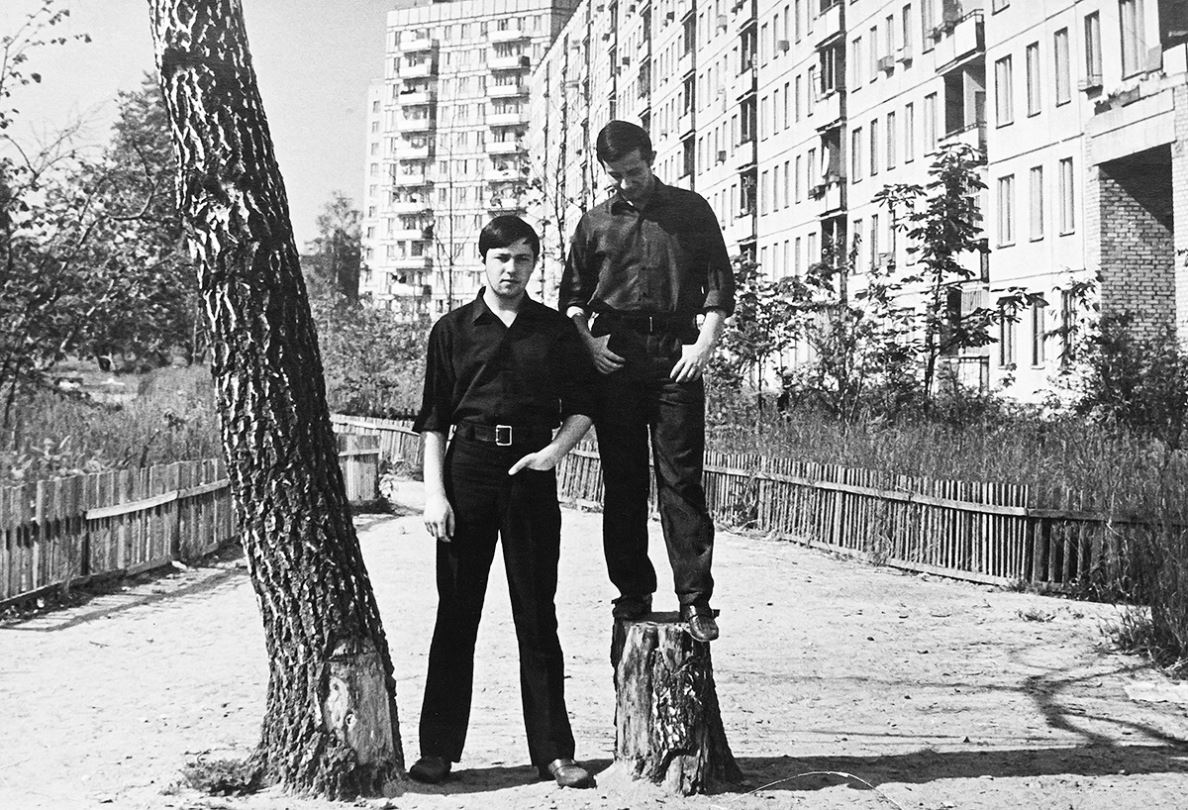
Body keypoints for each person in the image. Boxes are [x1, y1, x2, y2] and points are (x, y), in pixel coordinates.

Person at [409, 215, 596, 789]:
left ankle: (554, 753)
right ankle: (438, 750)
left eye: (522, 258)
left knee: (537, 614)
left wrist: (553, 454)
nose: (511, 269)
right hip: (467, 472)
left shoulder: (554, 331)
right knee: (456, 613)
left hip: (529, 475)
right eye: (501, 258)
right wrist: (435, 496)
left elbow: (584, 406)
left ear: (535, 263)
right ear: (484, 261)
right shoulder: (452, 330)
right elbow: (434, 421)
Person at [559, 120, 735, 644]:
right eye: (615, 175)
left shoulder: (690, 210)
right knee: (623, 483)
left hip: (676, 355)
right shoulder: (594, 223)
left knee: (681, 482)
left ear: (651, 158)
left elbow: (719, 285)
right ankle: (632, 593)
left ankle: (695, 600)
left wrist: (703, 346)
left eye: (633, 171)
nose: (626, 183)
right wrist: (588, 343)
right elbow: (572, 296)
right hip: (614, 358)